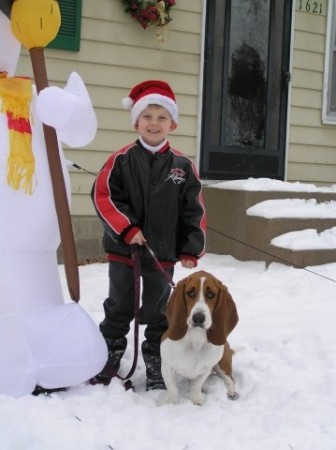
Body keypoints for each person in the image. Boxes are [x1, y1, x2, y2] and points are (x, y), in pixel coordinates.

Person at [91, 80, 206, 390]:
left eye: (161, 117)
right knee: (120, 304)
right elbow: (105, 197)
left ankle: (156, 358)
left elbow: (193, 211)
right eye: (147, 116)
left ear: (173, 123)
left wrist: (190, 248)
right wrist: (127, 228)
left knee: (158, 309)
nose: (154, 124)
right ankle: (110, 351)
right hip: (124, 252)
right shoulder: (121, 160)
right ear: (136, 121)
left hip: (163, 254)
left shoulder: (182, 166)